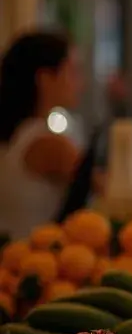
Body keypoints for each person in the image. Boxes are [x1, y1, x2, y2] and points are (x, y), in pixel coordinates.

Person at [0, 30, 85, 239]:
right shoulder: (48, 145)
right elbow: (116, 194)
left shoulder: (17, 133)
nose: (80, 83)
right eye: (72, 71)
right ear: (45, 78)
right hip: (32, 262)